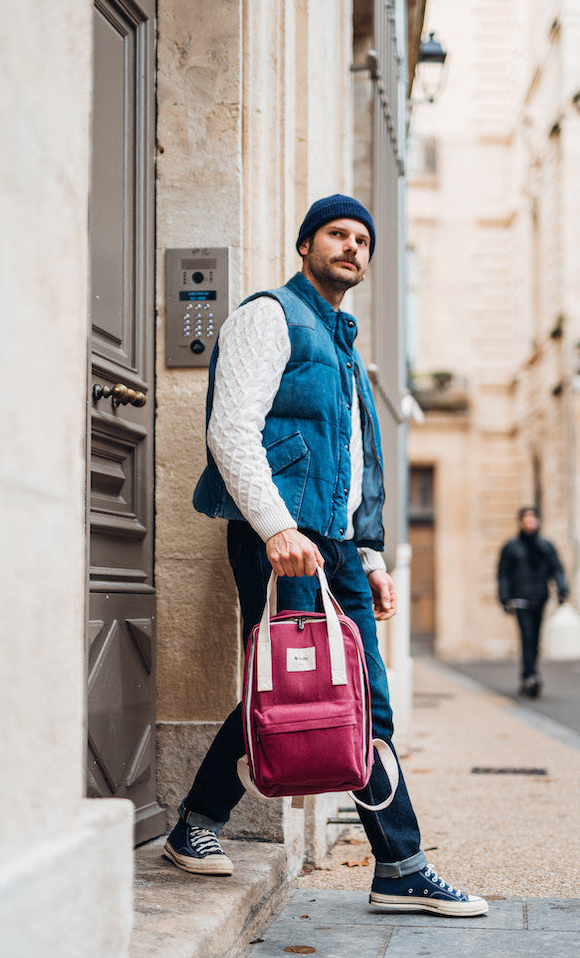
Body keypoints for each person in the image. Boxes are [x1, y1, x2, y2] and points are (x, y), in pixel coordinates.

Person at [163, 194, 488, 918]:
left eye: (362, 240)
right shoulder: (268, 316)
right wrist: (277, 528)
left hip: (334, 549)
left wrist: (368, 557)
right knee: (299, 695)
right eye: (337, 235)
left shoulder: (343, 348)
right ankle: (396, 861)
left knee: (362, 701)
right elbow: (231, 431)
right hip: (282, 542)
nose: (352, 247)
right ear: (306, 244)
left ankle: (388, 865)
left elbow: (356, 464)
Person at [497, 506, 569, 698]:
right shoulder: (511, 547)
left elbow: (557, 568)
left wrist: (562, 589)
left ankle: (529, 674)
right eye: (526, 520)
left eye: (532, 520)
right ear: (521, 522)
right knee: (527, 637)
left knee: (535, 639)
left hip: (539, 597)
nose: (530, 523)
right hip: (520, 598)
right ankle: (530, 676)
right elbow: (503, 574)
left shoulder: (545, 546)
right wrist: (504, 597)